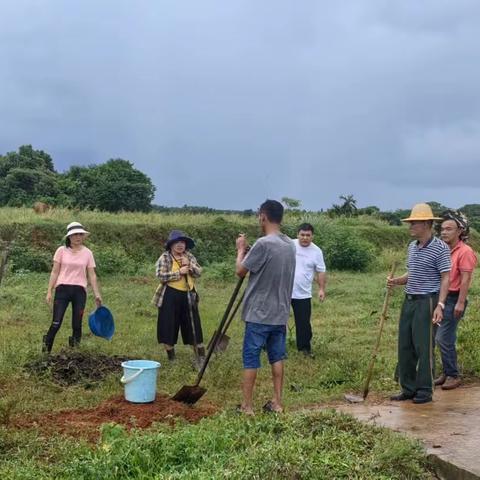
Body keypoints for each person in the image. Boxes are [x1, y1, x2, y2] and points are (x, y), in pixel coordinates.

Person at [235, 199, 296, 415]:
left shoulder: (263, 243)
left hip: (259, 313)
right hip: (280, 313)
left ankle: (247, 406)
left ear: (263, 216)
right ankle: (277, 403)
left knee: (251, 358)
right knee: (276, 357)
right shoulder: (290, 244)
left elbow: (241, 271)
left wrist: (241, 250)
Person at [387, 203, 451, 404]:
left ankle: (425, 390)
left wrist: (440, 305)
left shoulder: (440, 248)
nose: (410, 226)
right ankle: (408, 388)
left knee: (424, 347)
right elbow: (412, 273)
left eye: (414, 223)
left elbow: (446, 278)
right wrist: (396, 281)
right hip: (409, 300)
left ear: (426, 224)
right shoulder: (412, 247)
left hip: (427, 301)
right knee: (405, 345)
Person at [434, 210, 477, 390]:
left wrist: (460, 302)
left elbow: (465, 279)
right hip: (441, 297)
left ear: (460, 231)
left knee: (444, 337)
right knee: (439, 337)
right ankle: (446, 372)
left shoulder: (465, 251)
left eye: (449, 229)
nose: (444, 232)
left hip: (454, 298)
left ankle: (453, 375)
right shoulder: (442, 249)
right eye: (442, 229)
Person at [43, 222, 102, 353]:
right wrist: (49, 291)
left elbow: (92, 275)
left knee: (77, 324)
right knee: (56, 323)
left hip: (79, 292)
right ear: (69, 236)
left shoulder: (88, 253)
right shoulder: (61, 251)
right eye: (75, 234)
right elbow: (55, 272)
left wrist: (97, 294)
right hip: (62, 290)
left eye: (80, 234)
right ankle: (45, 352)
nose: (78, 237)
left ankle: (74, 354)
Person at [152, 230, 205, 364]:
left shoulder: (189, 256)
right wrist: (178, 273)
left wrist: (190, 266)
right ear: (171, 245)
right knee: (168, 327)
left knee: (194, 328)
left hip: (188, 295)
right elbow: (160, 275)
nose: (180, 245)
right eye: (177, 242)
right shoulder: (165, 257)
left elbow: (199, 272)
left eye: (182, 242)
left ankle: (200, 359)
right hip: (170, 295)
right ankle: (172, 359)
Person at [291, 223, 326, 357]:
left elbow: (321, 271)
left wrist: (321, 289)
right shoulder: (290, 245)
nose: (305, 238)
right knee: (276, 320)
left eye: (308, 235)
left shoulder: (316, 251)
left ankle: (304, 349)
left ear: (312, 236)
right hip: (283, 291)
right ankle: (271, 346)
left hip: (303, 293)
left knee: (303, 323)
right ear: (297, 234)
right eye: (302, 235)